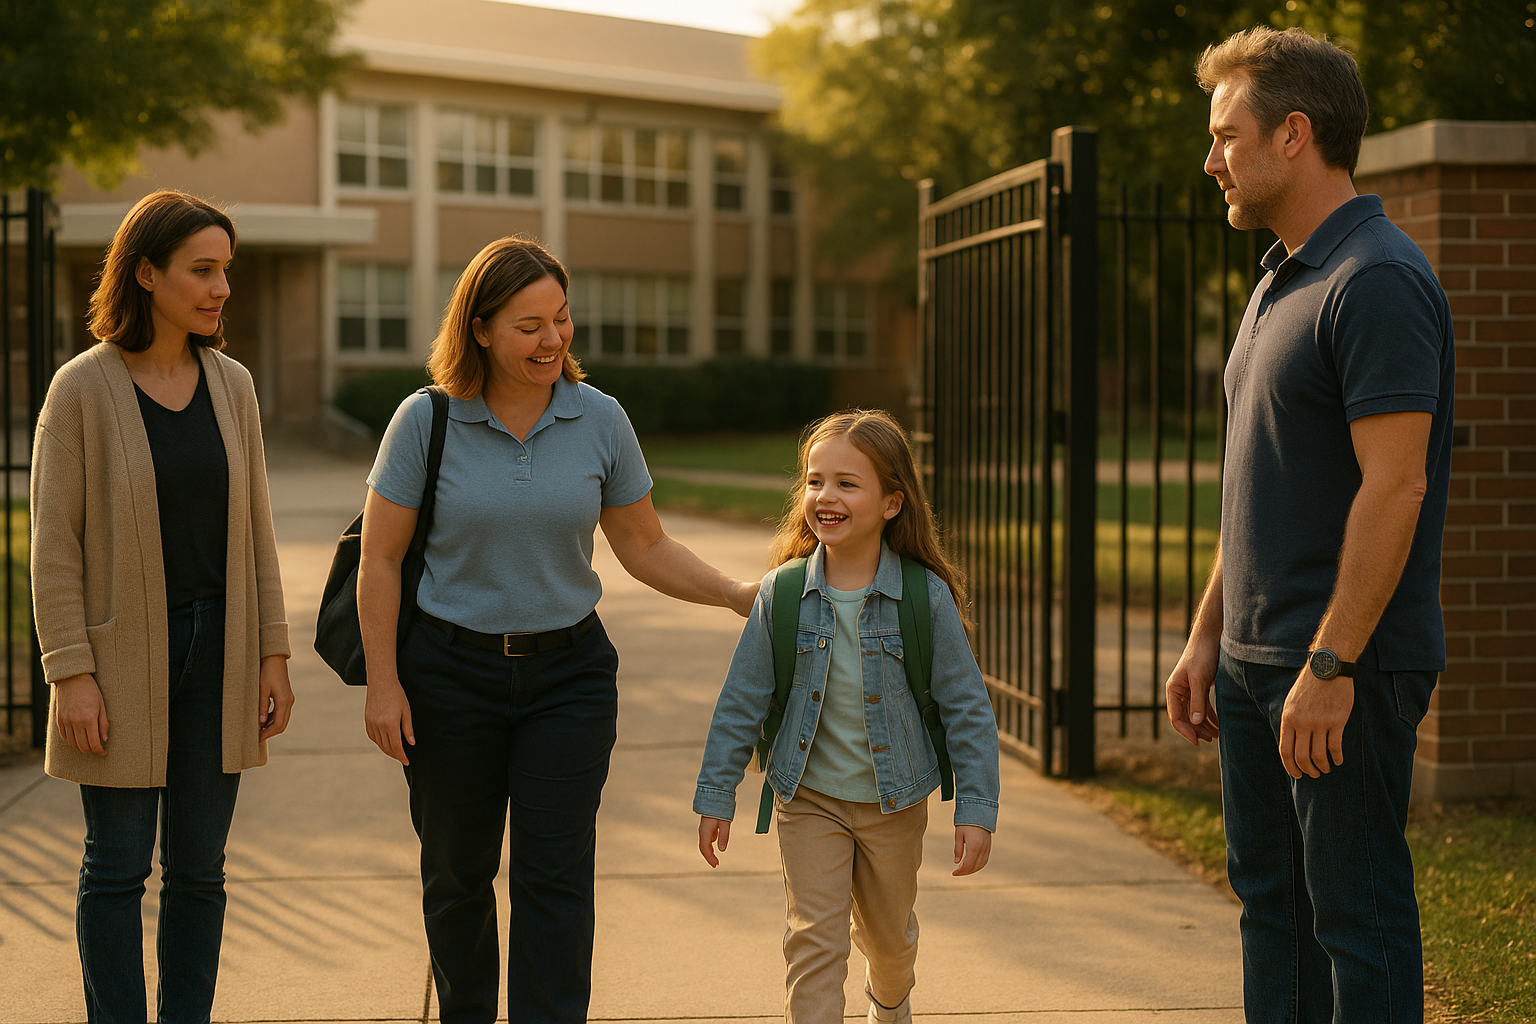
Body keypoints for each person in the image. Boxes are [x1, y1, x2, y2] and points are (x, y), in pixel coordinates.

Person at [358, 235, 757, 1024]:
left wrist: (735, 593)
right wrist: (383, 683)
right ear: (480, 329)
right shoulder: (426, 420)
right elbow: (381, 559)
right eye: (529, 325)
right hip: (449, 676)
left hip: (567, 679)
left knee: (556, 876)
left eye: (562, 319)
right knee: (457, 872)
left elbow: (644, 544)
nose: (553, 339)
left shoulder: (599, 417)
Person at [1164, 26, 1455, 1024]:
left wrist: (1331, 666)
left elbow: (1396, 488)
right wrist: (1208, 635)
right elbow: (1259, 484)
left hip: (1340, 670)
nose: (1212, 160)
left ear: (1294, 134)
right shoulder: (1278, 280)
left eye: (1226, 136)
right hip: (1255, 666)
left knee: (1355, 921)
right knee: (1273, 911)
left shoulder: (1375, 280)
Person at [31, 188, 294, 1023]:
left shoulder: (233, 386)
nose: (221, 288)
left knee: (200, 871)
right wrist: (71, 672)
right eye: (202, 270)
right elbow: (54, 545)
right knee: (116, 868)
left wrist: (272, 652)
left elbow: (255, 527)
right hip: (118, 660)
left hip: (221, 653)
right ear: (146, 273)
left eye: (226, 271)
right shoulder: (81, 389)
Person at [694, 409, 1000, 1024]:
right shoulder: (782, 594)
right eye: (815, 481)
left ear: (892, 502)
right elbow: (740, 701)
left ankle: (889, 1003)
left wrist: (975, 808)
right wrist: (716, 794)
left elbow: (967, 707)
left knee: (889, 943)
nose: (825, 495)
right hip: (809, 796)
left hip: (896, 802)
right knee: (814, 941)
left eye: (847, 483)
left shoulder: (924, 596)